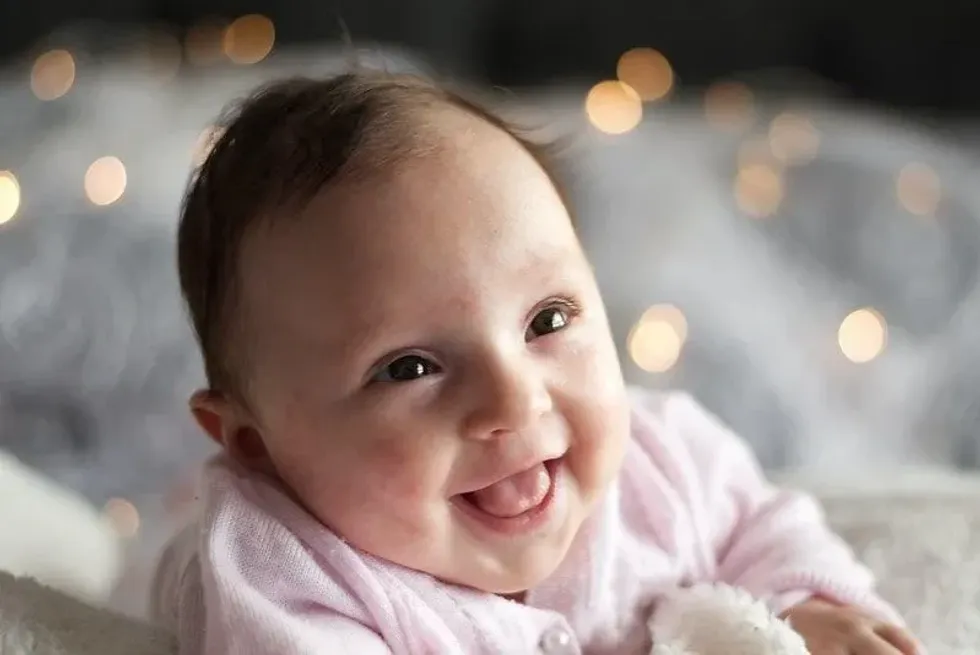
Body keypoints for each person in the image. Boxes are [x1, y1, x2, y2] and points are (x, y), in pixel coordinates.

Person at [150, 71, 920, 655]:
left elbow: (762, 524)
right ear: (255, 444)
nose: (515, 402)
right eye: (410, 367)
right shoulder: (278, 571)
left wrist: (799, 606)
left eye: (547, 320)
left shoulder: (662, 460)